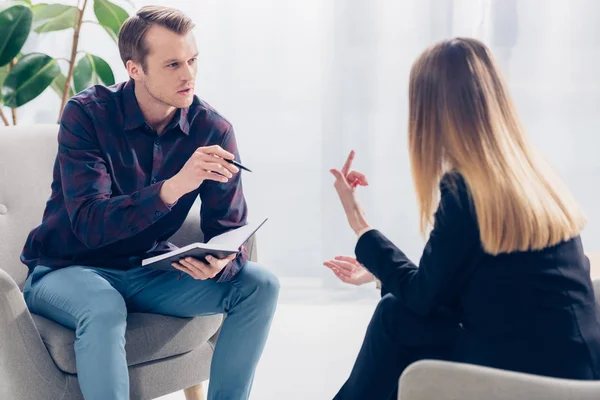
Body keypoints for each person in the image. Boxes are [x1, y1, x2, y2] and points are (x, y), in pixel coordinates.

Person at [20, 6, 279, 400]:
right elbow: (90, 225)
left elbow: (228, 227)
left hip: (147, 267)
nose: (188, 74)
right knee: (104, 306)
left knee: (260, 284)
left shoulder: (213, 129)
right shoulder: (86, 116)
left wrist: (222, 260)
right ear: (134, 69)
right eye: (173, 63)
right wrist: (173, 187)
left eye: (192, 60)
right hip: (66, 266)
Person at [324, 37, 600, 400]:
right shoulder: (534, 174)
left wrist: (359, 223)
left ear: (431, 113)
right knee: (399, 315)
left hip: (531, 375)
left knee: (396, 317)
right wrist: (380, 274)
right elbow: (459, 288)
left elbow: (426, 298)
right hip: (577, 366)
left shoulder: (465, 190)